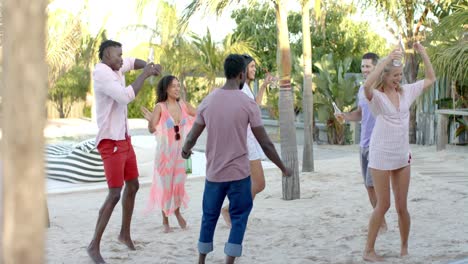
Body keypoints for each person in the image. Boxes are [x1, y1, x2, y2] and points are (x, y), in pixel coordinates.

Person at [181, 54, 292, 264]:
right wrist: (282, 167)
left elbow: (192, 136)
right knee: (239, 219)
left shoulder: (209, 101)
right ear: (241, 74)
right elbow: (265, 143)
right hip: (239, 175)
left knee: (209, 218)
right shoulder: (247, 103)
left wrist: (185, 151)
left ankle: (201, 260)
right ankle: (229, 261)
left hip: (214, 174)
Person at [87, 40, 161, 264]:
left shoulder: (115, 66)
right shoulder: (101, 73)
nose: (121, 58)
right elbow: (125, 96)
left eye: (121, 54)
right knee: (114, 193)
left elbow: (130, 62)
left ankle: (124, 234)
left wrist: (148, 64)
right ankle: (93, 246)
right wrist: (146, 73)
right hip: (110, 141)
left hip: (124, 138)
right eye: (117, 55)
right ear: (105, 55)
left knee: (134, 185)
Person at [362, 43, 436, 262]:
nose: (398, 79)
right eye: (394, 75)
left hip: (402, 155)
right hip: (380, 155)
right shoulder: (375, 96)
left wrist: (423, 54)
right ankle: (368, 251)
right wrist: (385, 59)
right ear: (384, 76)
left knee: (402, 206)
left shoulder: (407, 92)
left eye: (400, 75)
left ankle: (404, 248)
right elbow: (367, 84)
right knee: (383, 204)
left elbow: (431, 79)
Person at [335, 53, 388, 233]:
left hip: (377, 144)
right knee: (368, 187)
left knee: (375, 187)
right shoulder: (361, 90)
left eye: (368, 67)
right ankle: (380, 221)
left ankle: (380, 223)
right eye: (363, 67)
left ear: (376, 68)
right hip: (363, 144)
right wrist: (345, 116)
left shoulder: (382, 89)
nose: (364, 70)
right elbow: (360, 113)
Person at [221, 54, 275, 227]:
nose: (254, 69)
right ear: (243, 70)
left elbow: (254, 107)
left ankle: (234, 211)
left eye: (254, 66)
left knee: (253, 183)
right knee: (258, 183)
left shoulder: (245, 87)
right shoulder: (240, 89)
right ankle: (231, 210)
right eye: (251, 67)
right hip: (245, 142)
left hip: (249, 141)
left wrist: (264, 86)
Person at [141, 75, 197, 233]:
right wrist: (151, 119)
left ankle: (177, 212)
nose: (177, 89)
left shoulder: (184, 105)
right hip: (165, 154)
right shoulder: (160, 107)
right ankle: (165, 219)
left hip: (183, 154)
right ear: (166, 88)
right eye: (174, 86)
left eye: (178, 86)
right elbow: (152, 129)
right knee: (166, 187)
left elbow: (200, 114)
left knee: (179, 185)